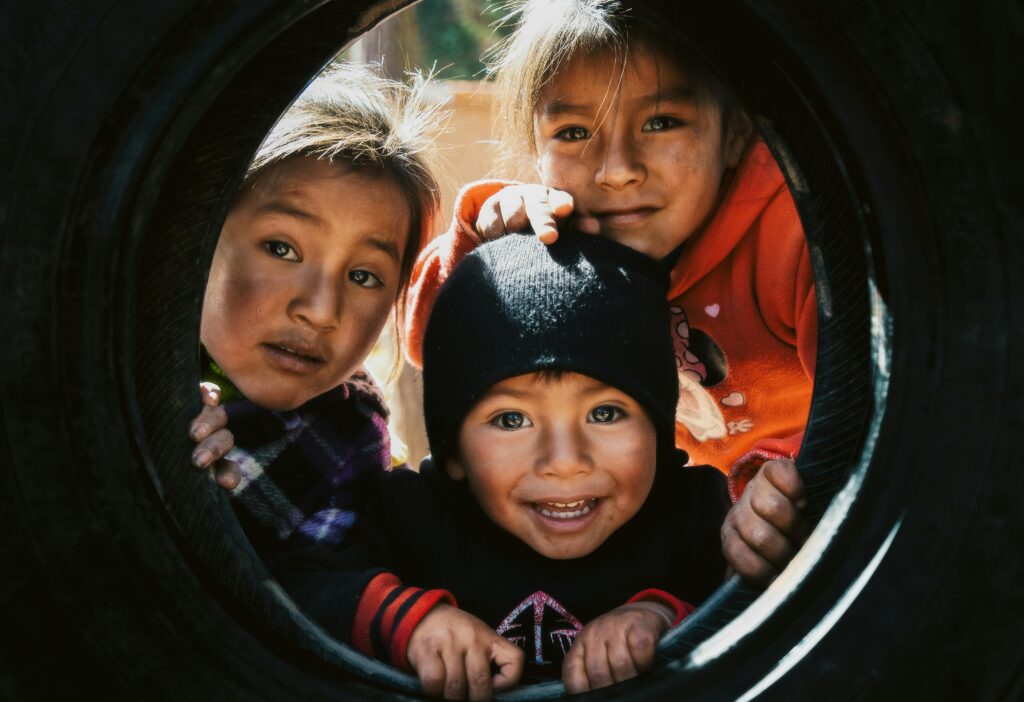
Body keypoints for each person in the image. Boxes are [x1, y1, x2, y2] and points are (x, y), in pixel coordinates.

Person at [270, 232, 732, 699]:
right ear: (452, 453)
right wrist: (412, 624)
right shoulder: (413, 519)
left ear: (658, 428)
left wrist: (663, 618)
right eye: (511, 419)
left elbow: (770, 609)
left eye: (605, 413)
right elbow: (290, 593)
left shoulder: (694, 516)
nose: (565, 461)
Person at [404, 0, 817, 502]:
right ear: (536, 152)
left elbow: (876, 406)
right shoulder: (556, 237)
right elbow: (432, 340)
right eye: (574, 133)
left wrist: (787, 484)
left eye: (662, 122)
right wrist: (489, 247)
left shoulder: (791, 238)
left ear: (735, 134)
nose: (616, 170)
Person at [188, 62, 443, 558]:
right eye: (282, 249)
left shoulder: (357, 462)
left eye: (364, 276)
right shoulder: (109, 367)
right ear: (200, 239)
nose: (321, 311)